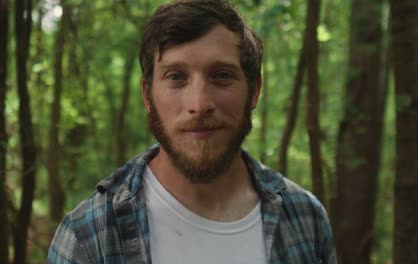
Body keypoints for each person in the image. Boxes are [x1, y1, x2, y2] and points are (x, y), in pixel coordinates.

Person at [46, 0, 336, 263]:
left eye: (221, 76)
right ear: (148, 95)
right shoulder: (87, 238)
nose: (199, 105)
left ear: (254, 91)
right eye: (176, 77)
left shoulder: (306, 218)